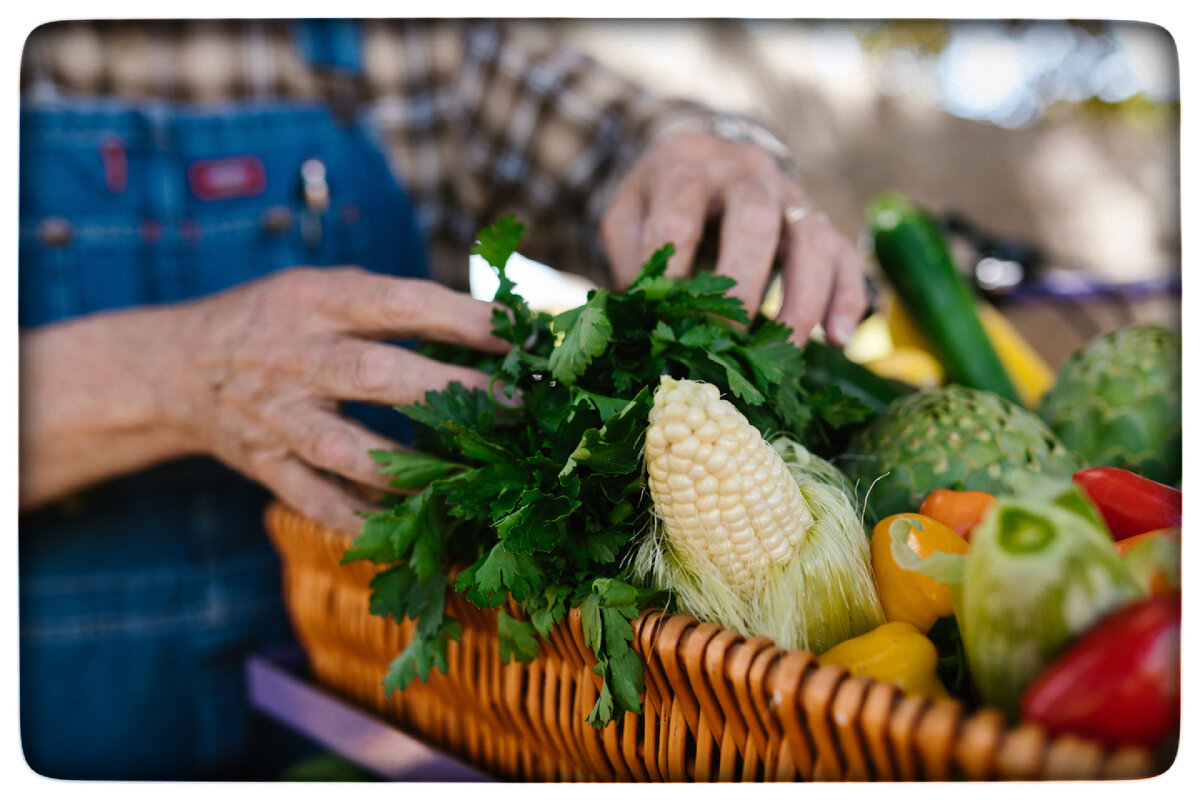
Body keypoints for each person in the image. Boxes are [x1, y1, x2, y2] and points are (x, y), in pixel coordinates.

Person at [18, 19, 867, 780]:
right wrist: (173, 370)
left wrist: (708, 151)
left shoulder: (411, 36)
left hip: (395, 725)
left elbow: (622, 131)